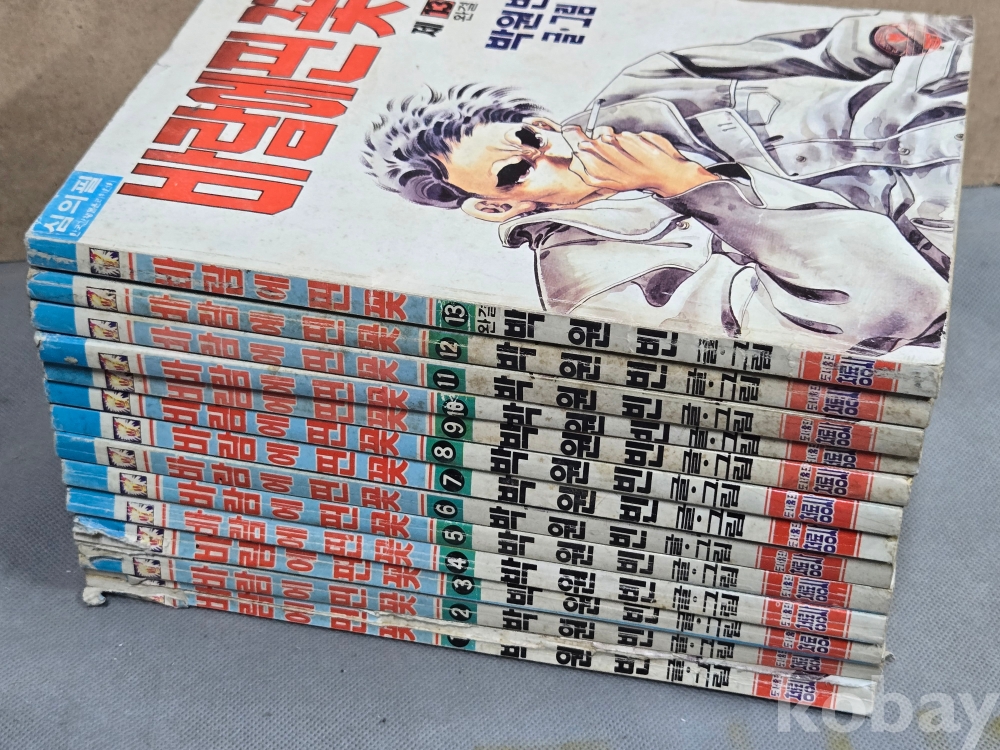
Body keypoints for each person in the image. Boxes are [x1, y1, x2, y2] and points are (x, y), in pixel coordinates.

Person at [362, 12, 971, 355]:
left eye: (533, 135)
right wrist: (693, 187)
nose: (557, 150)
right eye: (519, 171)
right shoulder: (596, 286)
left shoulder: (643, 87)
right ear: (495, 209)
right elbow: (895, 303)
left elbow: (827, 48)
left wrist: (885, 39)